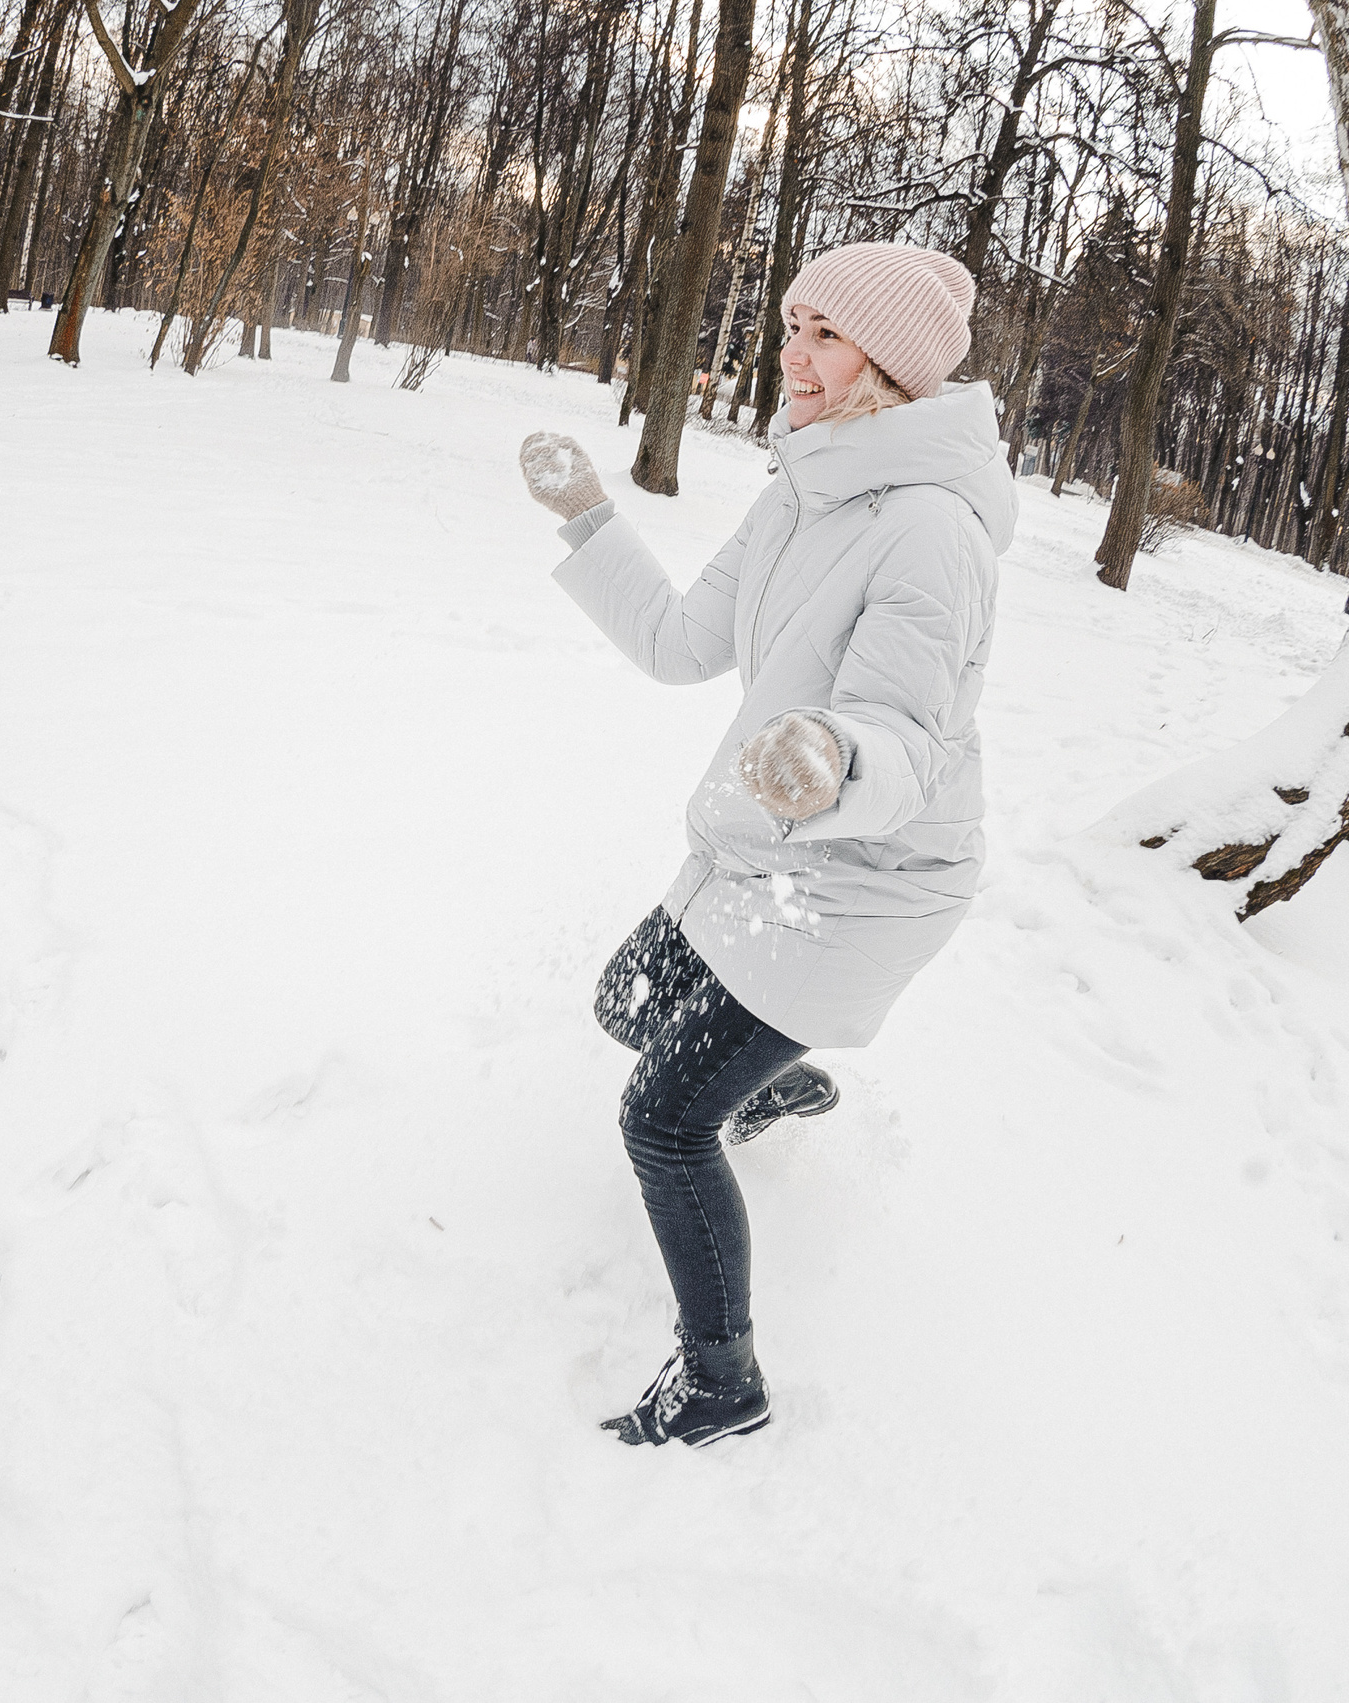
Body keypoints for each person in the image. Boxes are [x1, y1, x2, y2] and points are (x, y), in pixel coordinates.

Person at [516, 242, 1018, 1447]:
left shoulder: (932, 532)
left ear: (889, 369)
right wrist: (588, 517)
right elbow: (687, 642)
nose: (791, 351)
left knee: (663, 1117)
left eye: (825, 332)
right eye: (791, 322)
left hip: (863, 881)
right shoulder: (801, 487)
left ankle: (721, 1379)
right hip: (763, 848)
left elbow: (903, 734)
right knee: (628, 998)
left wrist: (836, 759)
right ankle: (783, 1080)